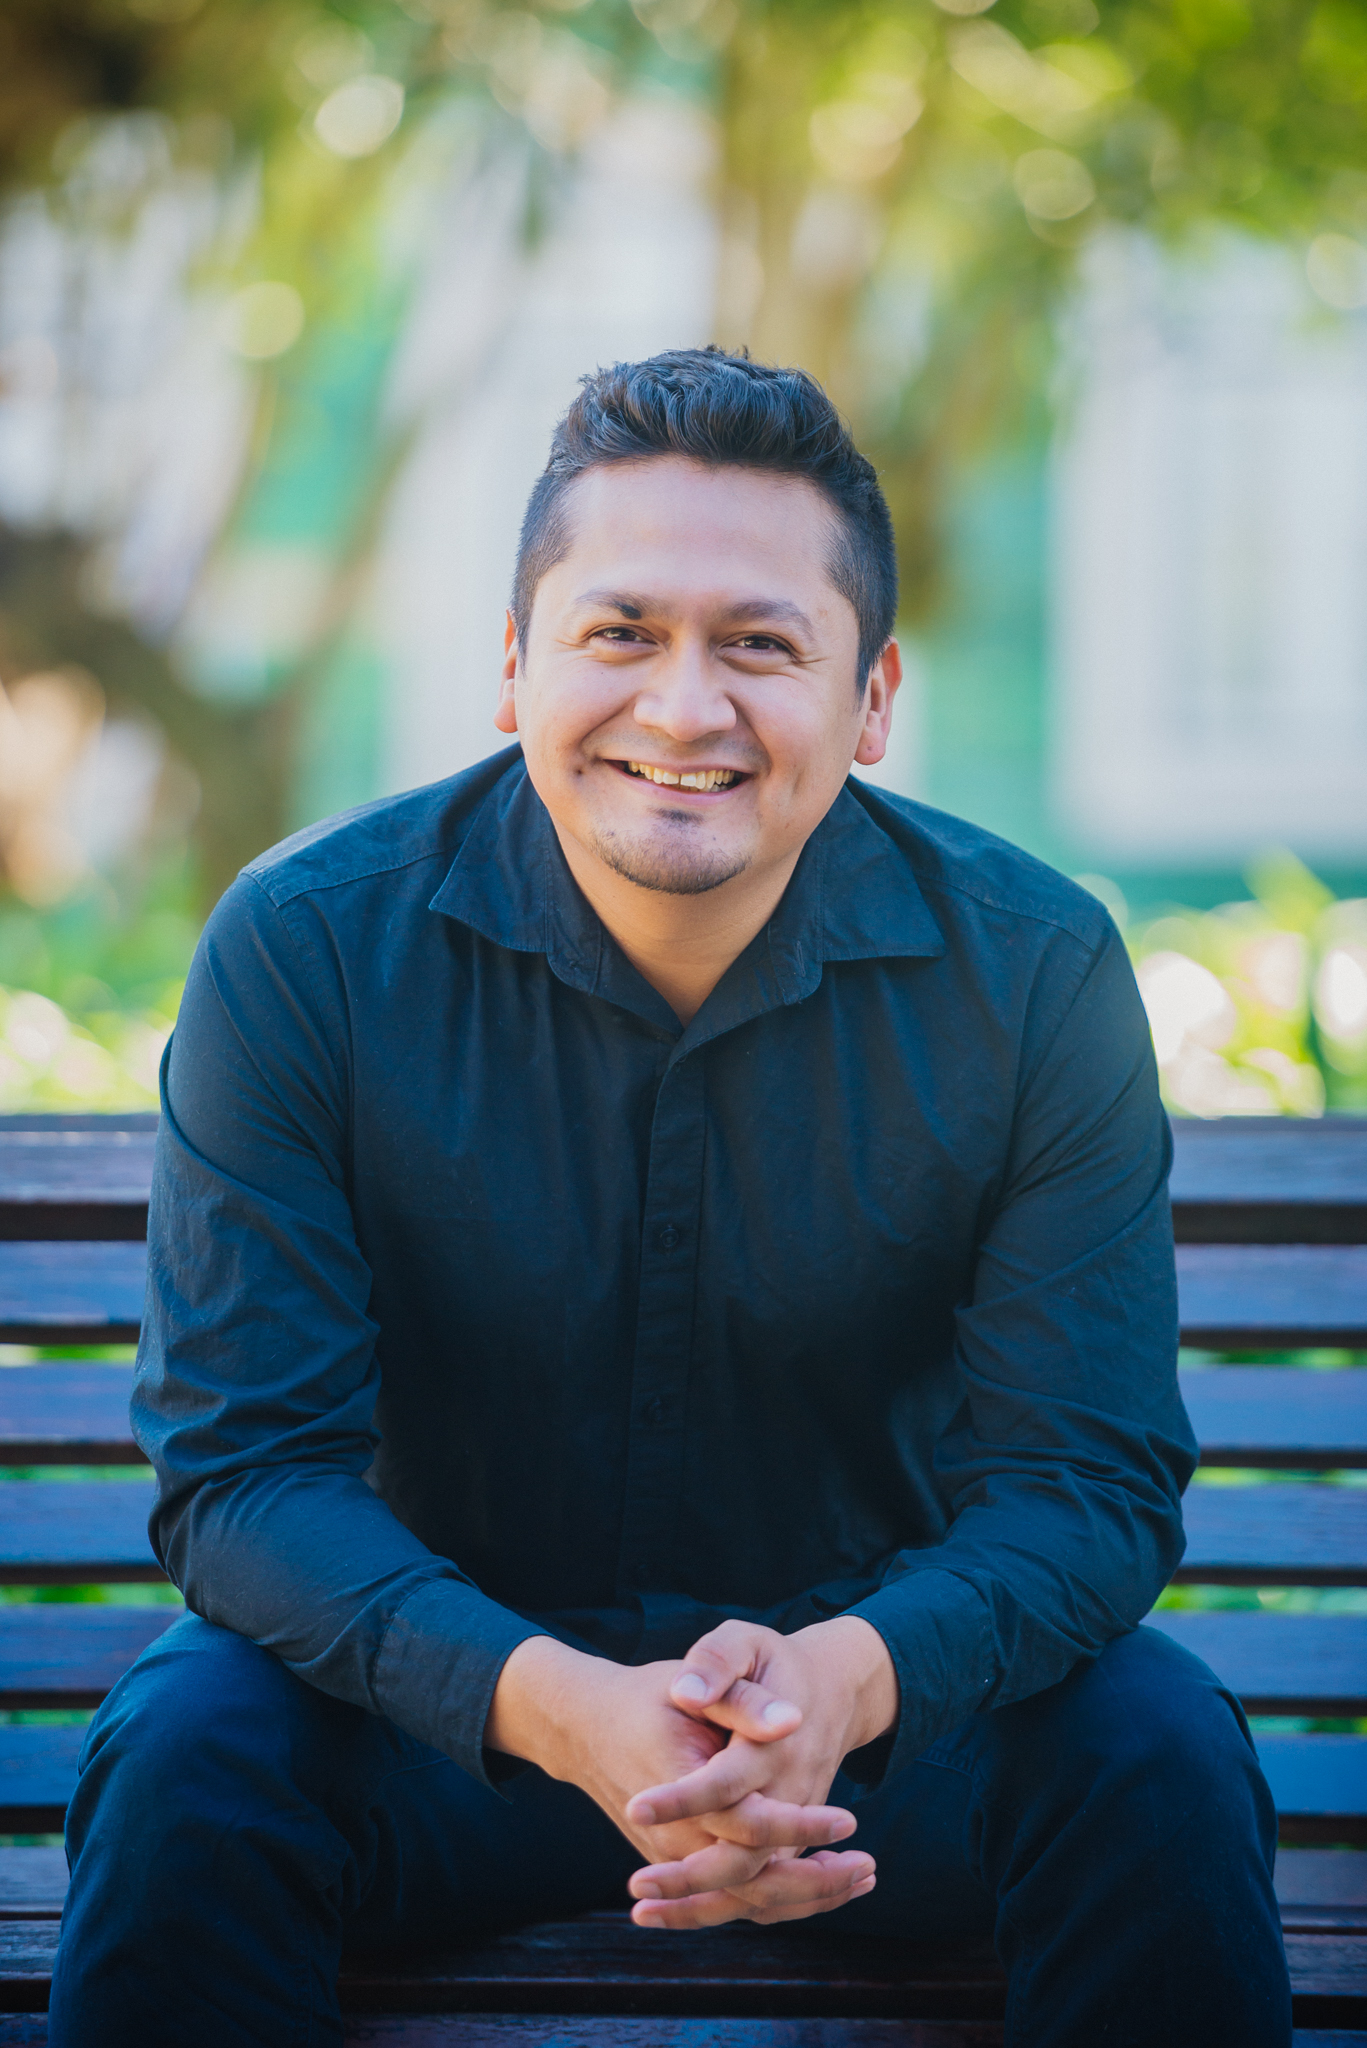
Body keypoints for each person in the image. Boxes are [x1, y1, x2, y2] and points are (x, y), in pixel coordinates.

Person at [49, 348, 1291, 2046]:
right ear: (513, 665)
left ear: (870, 701)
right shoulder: (311, 950)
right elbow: (247, 1472)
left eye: (761, 645)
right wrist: (562, 1711)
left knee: (1150, 1748)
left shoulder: (1035, 972)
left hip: (876, 1754)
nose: (685, 707)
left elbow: (1086, 1481)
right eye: (620, 632)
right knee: (189, 1751)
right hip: (446, 1732)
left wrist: (839, 1691)